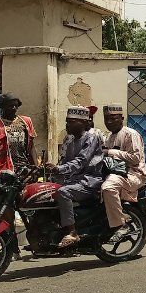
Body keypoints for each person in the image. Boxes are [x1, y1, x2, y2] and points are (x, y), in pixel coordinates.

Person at [50, 106, 105, 251]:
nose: (67, 125)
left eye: (71, 122)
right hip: (74, 180)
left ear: (84, 123)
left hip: (89, 181)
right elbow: (65, 162)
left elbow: (81, 161)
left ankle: (72, 232)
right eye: (67, 121)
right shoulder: (72, 141)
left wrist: (59, 169)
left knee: (64, 192)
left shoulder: (92, 138)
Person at [101, 104, 146, 243]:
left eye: (113, 118)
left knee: (108, 188)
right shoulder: (109, 137)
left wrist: (111, 152)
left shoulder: (130, 134)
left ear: (122, 118)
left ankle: (121, 225)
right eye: (106, 119)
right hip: (116, 173)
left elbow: (135, 158)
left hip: (133, 174)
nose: (109, 122)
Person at [0, 94, 36, 175]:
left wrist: (35, 167)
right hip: (4, 170)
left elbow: (31, 146)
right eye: (10, 106)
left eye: (16, 105)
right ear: (2, 107)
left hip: (25, 167)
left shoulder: (26, 122)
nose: (14, 108)